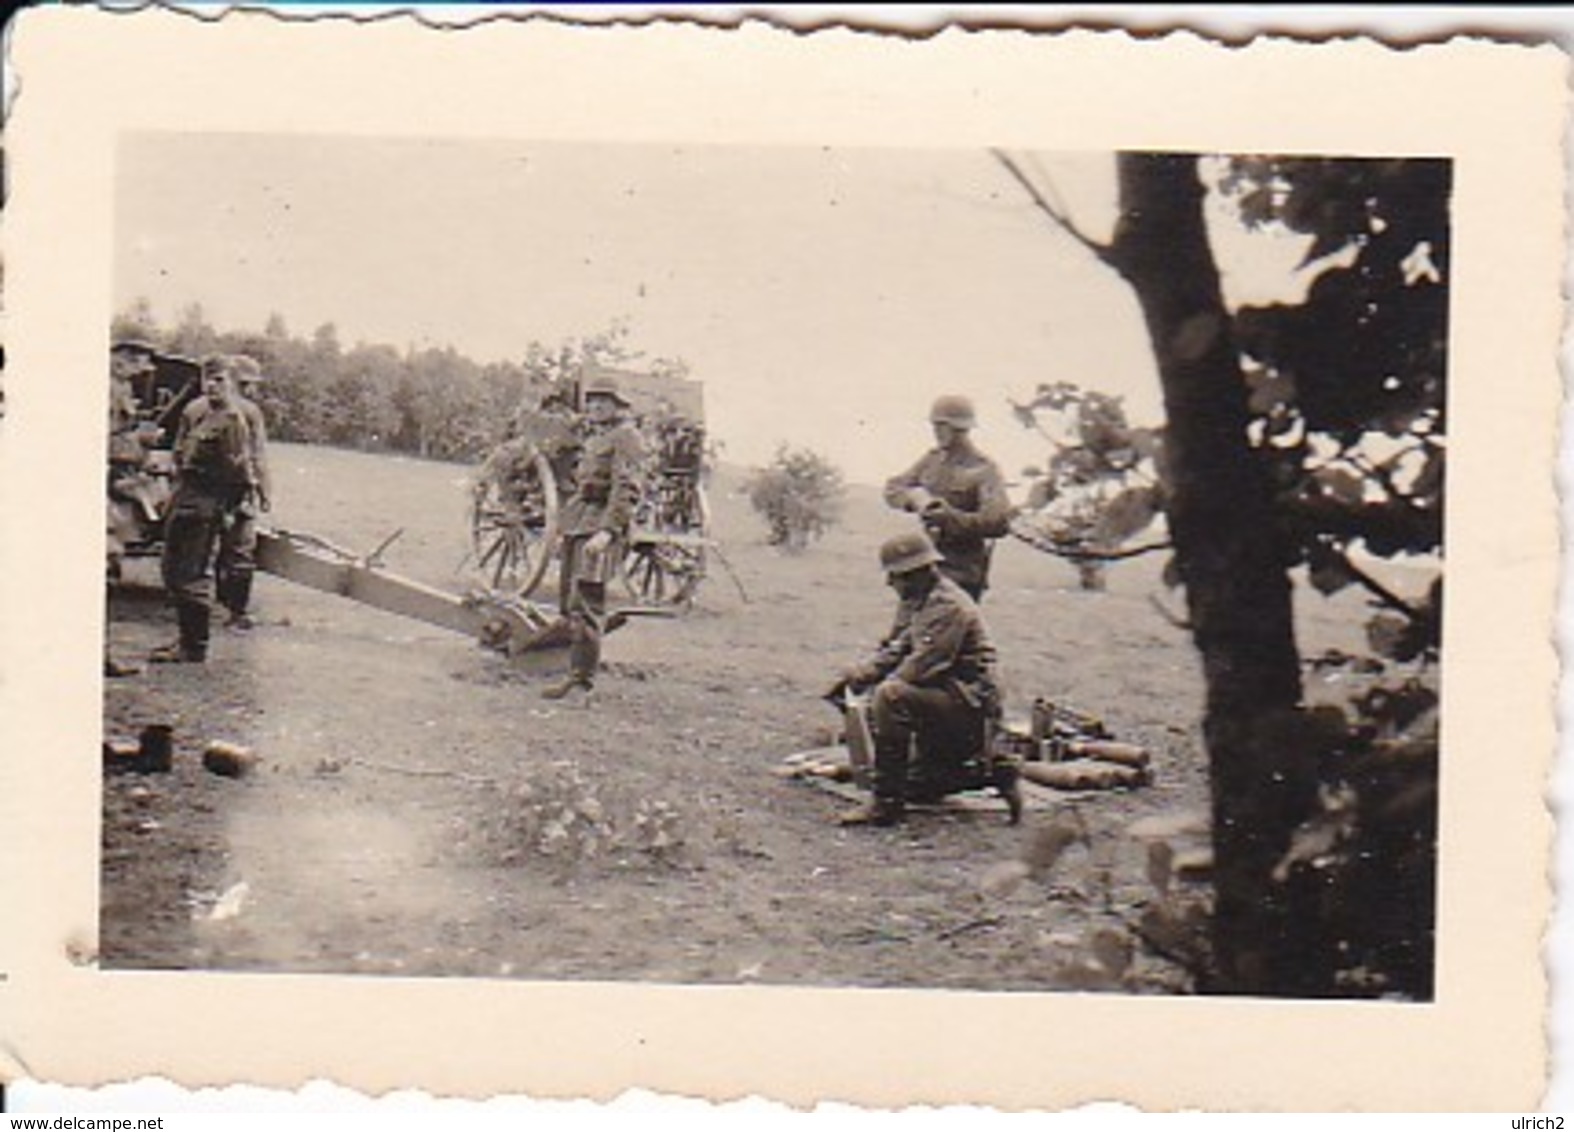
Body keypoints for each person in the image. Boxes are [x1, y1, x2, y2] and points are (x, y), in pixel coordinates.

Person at [831, 531, 1021, 827]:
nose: (891, 583)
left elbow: (922, 665)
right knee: (922, 785)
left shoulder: (948, 605)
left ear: (917, 573)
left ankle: (885, 804)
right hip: (951, 697)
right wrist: (860, 676)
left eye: (896, 576)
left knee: (890, 696)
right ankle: (996, 771)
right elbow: (901, 647)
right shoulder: (927, 601)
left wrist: (872, 695)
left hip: (970, 703)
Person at [540, 374, 644, 700]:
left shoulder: (626, 437)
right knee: (568, 602)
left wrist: (607, 531)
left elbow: (626, 488)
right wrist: (563, 530)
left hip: (600, 526)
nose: (596, 406)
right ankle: (572, 670)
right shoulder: (596, 437)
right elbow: (579, 487)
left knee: (586, 601)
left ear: (617, 406)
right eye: (592, 400)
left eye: (604, 401)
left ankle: (582, 681)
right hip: (579, 523)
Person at [150, 356, 257, 664]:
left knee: (191, 575)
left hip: (205, 505)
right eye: (207, 379)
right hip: (186, 497)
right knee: (174, 571)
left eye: (220, 380)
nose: (211, 386)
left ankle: (194, 646)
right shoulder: (203, 415)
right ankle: (186, 639)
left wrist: (226, 510)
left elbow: (240, 475)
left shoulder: (232, 421)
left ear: (234, 385)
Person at [883, 394, 1013, 601]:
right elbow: (893, 488)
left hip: (962, 570)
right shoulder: (932, 460)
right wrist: (916, 500)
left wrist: (949, 517)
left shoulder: (984, 469)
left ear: (962, 429)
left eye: (944, 426)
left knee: (948, 627)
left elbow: (998, 522)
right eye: (936, 426)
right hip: (924, 564)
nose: (937, 432)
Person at [214, 353, 272, 629]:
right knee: (240, 551)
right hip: (238, 490)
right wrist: (265, 492)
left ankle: (215, 601)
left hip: (205, 490)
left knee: (208, 548)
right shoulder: (249, 411)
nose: (253, 390)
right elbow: (258, 456)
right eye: (250, 384)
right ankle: (236, 613)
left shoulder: (201, 406)